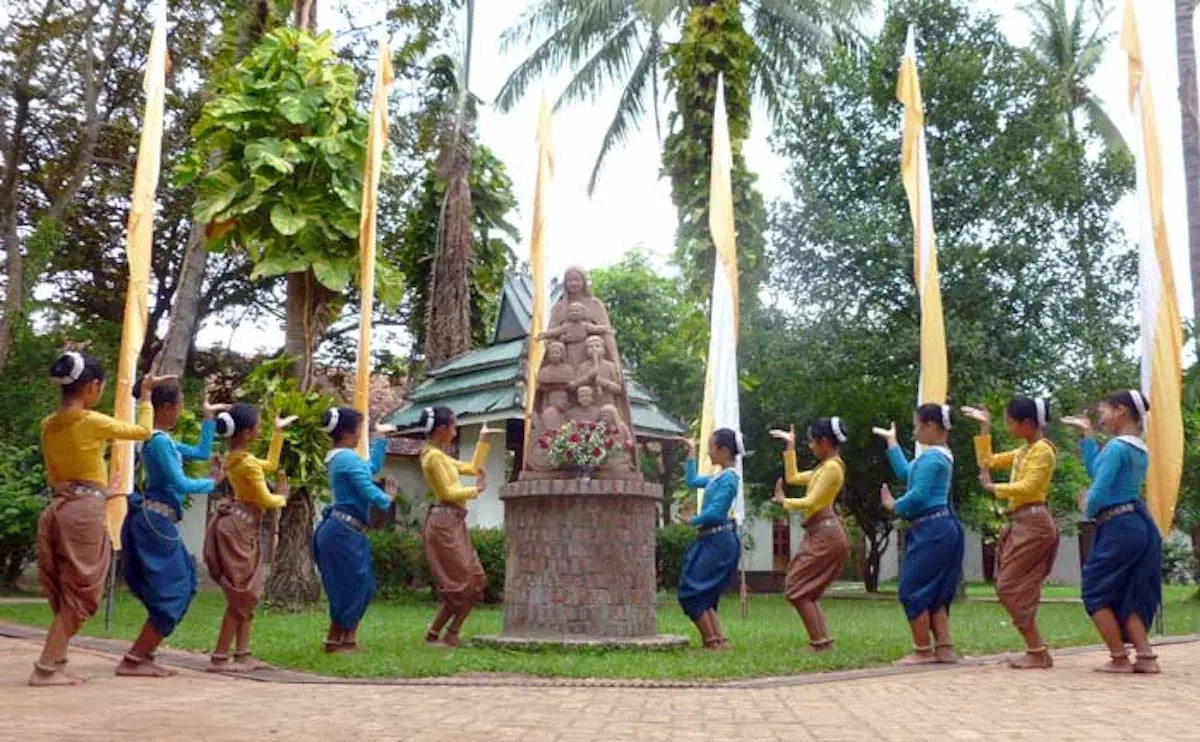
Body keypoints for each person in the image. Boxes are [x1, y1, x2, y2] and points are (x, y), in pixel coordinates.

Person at [31, 350, 171, 687]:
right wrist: (147, 395)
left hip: (60, 507)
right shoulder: (91, 421)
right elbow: (142, 432)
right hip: (82, 514)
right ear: (92, 386)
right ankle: (46, 667)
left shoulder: (48, 425)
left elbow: (57, 476)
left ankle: (57, 659)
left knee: (65, 588)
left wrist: (97, 491)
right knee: (82, 592)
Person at [116, 381, 226, 678]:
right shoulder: (159, 441)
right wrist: (213, 483)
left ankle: (142, 654)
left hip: (157, 521)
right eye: (179, 405)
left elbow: (202, 453)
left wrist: (208, 419)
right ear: (166, 408)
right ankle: (135, 657)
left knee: (184, 583)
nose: (180, 411)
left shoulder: (162, 439)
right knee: (176, 587)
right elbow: (180, 483)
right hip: (156, 521)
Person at [1063, 390, 1162, 674]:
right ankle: (1145, 656)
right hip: (1135, 524)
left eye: (1103, 412)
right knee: (1127, 591)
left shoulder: (1118, 447)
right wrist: (1088, 437)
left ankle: (1119, 658)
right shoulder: (1137, 448)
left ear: (1121, 411)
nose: (1100, 417)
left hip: (1117, 527)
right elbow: (1099, 469)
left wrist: (1087, 505)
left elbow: (1099, 489)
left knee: (1095, 590)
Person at [964, 398, 1059, 669]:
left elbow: (1030, 487)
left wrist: (995, 488)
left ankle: (1037, 650)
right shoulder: (1023, 451)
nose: (1007, 427)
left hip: (1034, 525)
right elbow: (987, 461)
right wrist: (984, 429)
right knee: (1011, 585)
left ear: (1028, 424)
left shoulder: (1043, 451)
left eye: (1010, 422)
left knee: (1009, 586)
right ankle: (1035, 650)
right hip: (1021, 524)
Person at [203, 403, 296, 672]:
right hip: (241, 528)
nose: (259, 430)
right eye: (257, 426)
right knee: (242, 594)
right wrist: (283, 496)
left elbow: (270, 464)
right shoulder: (247, 464)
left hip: (237, 524)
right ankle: (221, 656)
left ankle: (242, 653)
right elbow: (266, 499)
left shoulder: (234, 458)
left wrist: (278, 434)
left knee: (247, 590)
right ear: (246, 432)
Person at [875, 404, 964, 665]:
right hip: (942, 528)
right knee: (937, 590)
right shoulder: (937, 457)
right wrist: (892, 443)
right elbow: (907, 474)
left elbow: (919, 495)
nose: (913, 432)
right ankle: (944, 648)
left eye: (916, 426)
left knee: (912, 588)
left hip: (932, 530)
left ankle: (923, 650)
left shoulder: (934, 458)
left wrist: (894, 506)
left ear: (932, 426)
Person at [313, 407, 397, 653]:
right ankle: (338, 640)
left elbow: (369, 468)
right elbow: (368, 490)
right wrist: (387, 498)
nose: (361, 435)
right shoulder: (346, 458)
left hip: (343, 530)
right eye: (360, 430)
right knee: (350, 586)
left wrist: (380, 439)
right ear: (348, 432)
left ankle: (344, 639)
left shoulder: (342, 457)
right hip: (342, 531)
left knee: (357, 585)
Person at [419, 406, 502, 647]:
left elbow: (470, 468)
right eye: (453, 428)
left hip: (454, 522)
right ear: (442, 429)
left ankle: (449, 634)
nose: (455, 433)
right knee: (461, 583)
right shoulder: (432, 457)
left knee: (475, 579)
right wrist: (476, 490)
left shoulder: (440, 455)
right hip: (444, 523)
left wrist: (483, 440)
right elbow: (447, 492)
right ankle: (436, 634)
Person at [770, 418, 851, 652]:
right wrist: (789, 448)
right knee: (804, 590)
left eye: (812, 442)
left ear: (825, 442)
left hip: (825, 534)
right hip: (821, 532)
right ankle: (821, 642)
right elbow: (793, 477)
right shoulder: (824, 467)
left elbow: (813, 500)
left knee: (797, 588)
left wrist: (785, 502)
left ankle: (819, 643)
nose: (811, 446)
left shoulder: (833, 468)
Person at [678, 429, 743, 650]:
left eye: (711, 448)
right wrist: (691, 453)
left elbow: (716, 512)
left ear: (724, 451)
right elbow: (692, 480)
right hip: (711, 540)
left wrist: (692, 520)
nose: (709, 453)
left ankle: (712, 642)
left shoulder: (729, 479)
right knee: (705, 593)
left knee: (691, 591)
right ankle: (718, 641)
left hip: (718, 541)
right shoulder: (719, 477)